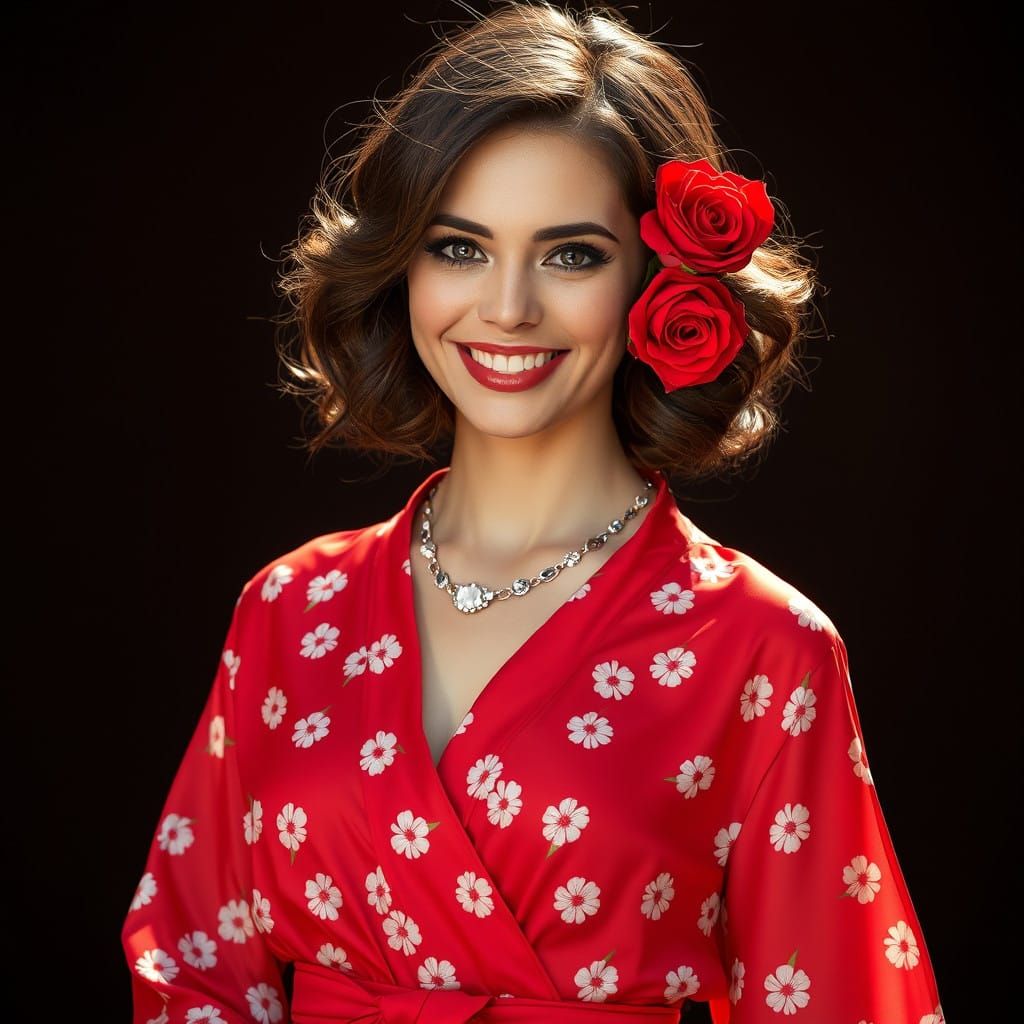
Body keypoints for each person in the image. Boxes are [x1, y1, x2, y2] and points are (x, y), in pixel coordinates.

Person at [121, 3, 947, 1022]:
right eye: (459, 248)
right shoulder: (291, 609)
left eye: (570, 255)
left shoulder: (762, 649)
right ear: (402, 269)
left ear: (660, 280)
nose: (506, 307)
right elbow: (193, 961)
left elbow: (840, 1001)